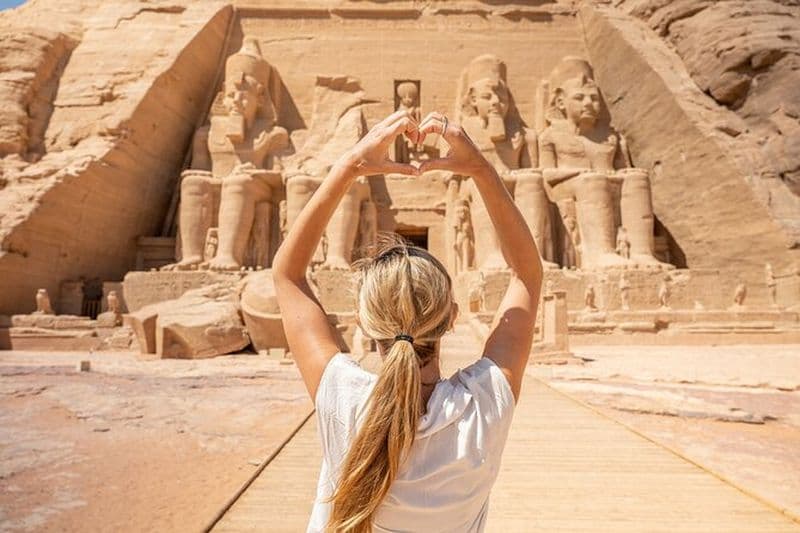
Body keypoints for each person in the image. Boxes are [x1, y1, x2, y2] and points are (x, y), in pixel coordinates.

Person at [272, 109, 543, 532]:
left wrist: (350, 167)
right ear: (451, 317)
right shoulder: (483, 406)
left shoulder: (345, 399)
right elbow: (528, 272)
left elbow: (287, 275)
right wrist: (481, 170)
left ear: (364, 323)